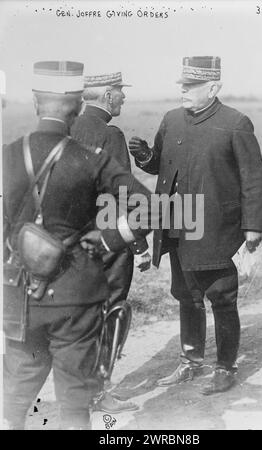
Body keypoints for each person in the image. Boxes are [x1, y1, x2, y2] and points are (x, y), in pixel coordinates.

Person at [3, 60, 154, 429]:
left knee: (16, 392)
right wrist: (108, 238)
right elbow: (149, 208)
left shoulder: (6, 155)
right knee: (74, 399)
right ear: (75, 105)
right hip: (78, 295)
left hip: (18, 295)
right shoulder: (92, 160)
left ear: (36, 101)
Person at [129, 56, 262, 394]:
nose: (183, 91)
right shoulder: (172, 119)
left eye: (190, 86)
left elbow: (254, 177)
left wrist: (253, 227)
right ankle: (190, 362)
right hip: (177, 223)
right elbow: (161, 165)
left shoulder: (235, 122)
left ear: (213, 87)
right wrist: (145, 156)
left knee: (221, 298)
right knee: (187, 297)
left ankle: (225, 367)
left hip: (218, 229)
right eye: (182, 85)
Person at [71, 71, 151, 412]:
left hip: (73, 244)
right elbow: (124, 196)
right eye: (119, 93)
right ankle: (99, 393)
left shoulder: (68, 129)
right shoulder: (110, 134)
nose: (123, 98)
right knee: (111, 314)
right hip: (110, 243)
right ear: (106, 96)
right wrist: (139, 245)